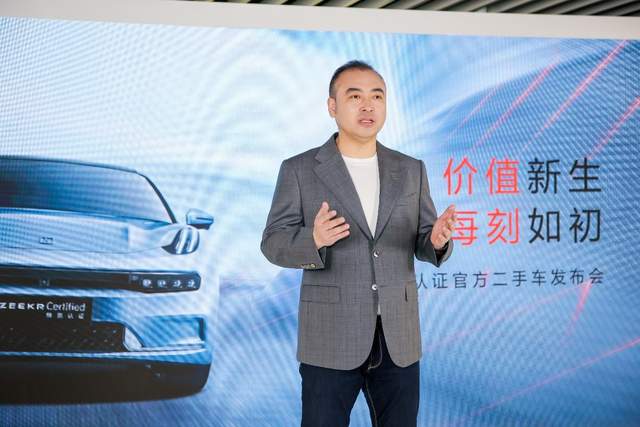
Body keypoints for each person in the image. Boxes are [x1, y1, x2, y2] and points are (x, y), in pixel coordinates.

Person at [261, 60, 456, 427]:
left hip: (397, 338)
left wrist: (436, 241)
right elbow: (272, 242)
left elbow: (422, 238)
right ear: (332, 106)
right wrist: (313, 239)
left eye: (377, 97)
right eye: (355, 97)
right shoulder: (299, 169)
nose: (368, 106)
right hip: (330, 338)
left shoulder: (410, 169)